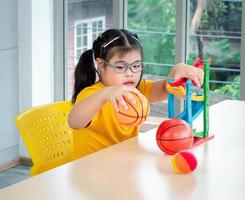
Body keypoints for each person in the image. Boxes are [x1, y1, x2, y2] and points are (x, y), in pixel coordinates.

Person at [68, 29, 203, 159]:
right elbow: (74, 121)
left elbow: (164, 88)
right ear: (101, 65)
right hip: (90, 171)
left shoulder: (137, 89)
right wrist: (105, 94)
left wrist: (178, 69)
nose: (130, 73)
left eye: (136, 66)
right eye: (121, 67)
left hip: (123, 166)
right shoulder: (93, 94)